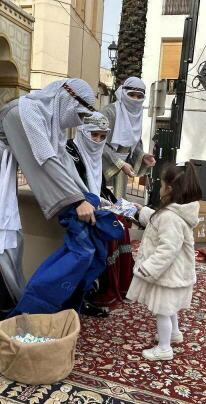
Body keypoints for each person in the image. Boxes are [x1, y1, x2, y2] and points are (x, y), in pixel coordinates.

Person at [0, 79, 96, 322]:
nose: (79, 122)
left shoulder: (49, 120)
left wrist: (86, 194)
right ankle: (3, 306)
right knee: (4, 232)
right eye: (80, 114)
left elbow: (62, 161)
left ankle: (0, 300)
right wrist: (75, 202)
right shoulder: (25, 112)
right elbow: (44, 161)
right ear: (67, 98)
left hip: (2, 168)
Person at [127, 163, 202, 361]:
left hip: (167, 275)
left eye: (161, 185)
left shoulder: (170, 217)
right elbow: (157, 220)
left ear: (168, 189)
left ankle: (164, 348)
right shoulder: (175, 213)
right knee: (170, 309)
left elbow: (168, 248)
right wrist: (141, 211)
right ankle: (175, 334)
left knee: (162, 311)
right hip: (175, 274)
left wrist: (148, 268)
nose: (159, 189)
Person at [65, 112, 134, 317]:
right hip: (74, 212)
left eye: (102, 136)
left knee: (121, 223)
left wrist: (119, 205)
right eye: (93, 135)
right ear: (83, 131)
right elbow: (71, 187)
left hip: (94, 210)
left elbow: (100, 189)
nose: (97, 141)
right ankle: (81, 299)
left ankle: (101, 290)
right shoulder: (70, 151)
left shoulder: (95, 156)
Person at [102, 77, 156, 199]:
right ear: (123, 93)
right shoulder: (109, 113)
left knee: (118, 202)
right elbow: (97, 142)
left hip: (122, 170)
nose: (135, 99)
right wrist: (119, 163)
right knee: (103, 201)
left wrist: (143, 156)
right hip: (103, 167)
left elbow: (134, 144)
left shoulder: (137, 116)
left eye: (139, 96)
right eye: (131, 95)